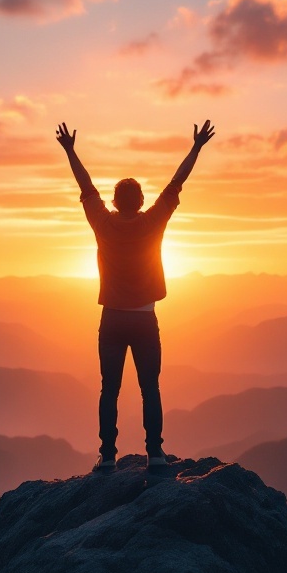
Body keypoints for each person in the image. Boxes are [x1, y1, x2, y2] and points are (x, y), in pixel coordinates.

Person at [56, 120, 215, 472]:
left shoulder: (103, 222)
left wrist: (70, 150)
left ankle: (107, 457)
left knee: (108, 390)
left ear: (113, 201)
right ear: (142, 201)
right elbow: (177, 182)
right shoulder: (152, 221)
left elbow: (85, 186)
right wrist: (196, 148)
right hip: (144, 318)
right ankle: (155, 455)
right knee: (149, 389)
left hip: (111, 318)